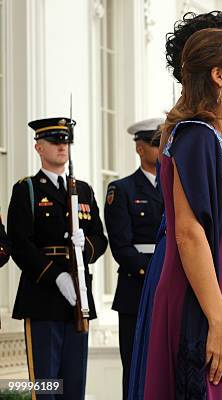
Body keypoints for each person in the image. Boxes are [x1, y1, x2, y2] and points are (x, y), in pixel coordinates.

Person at [128, 12, 222, 400]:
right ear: (219, 75)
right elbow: (188, 232)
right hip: (206, 300)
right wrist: (218, 321)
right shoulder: (196, 136)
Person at [7, 117, 108, 399]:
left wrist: (85, 245)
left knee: (74, 385)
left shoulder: (83, 190)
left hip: (78, 297)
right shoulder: (26, 190)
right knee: (46, 385)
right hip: (43, 297)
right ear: (39, 147)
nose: (62, 147)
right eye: (54, 141)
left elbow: (100, 239)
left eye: (65, 141)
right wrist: (56, 275)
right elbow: (19, 243)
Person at [105, 118, 164, 399]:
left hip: (171, 284)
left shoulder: (176, 185)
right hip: (136, 287)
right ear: (140, 148)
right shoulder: (123, 190)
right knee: (134, 364)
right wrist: (154, 271)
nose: (161, 149)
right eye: (155, 144)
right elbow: (121, 246)